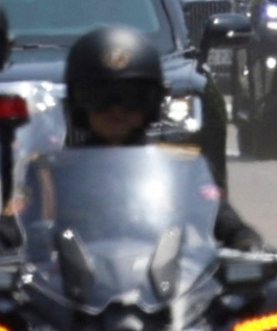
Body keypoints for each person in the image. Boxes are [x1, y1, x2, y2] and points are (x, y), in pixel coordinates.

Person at [62, 26, 261, 249]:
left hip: (164, 278)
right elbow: (19, 228)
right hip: (71, 281)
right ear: (77, 103)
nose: (115, 110)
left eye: (130, 97)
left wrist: (246, 244)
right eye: (99, 97)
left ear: (152, 102)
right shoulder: (55, 173)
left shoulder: (182, 169)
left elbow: (226, 222)